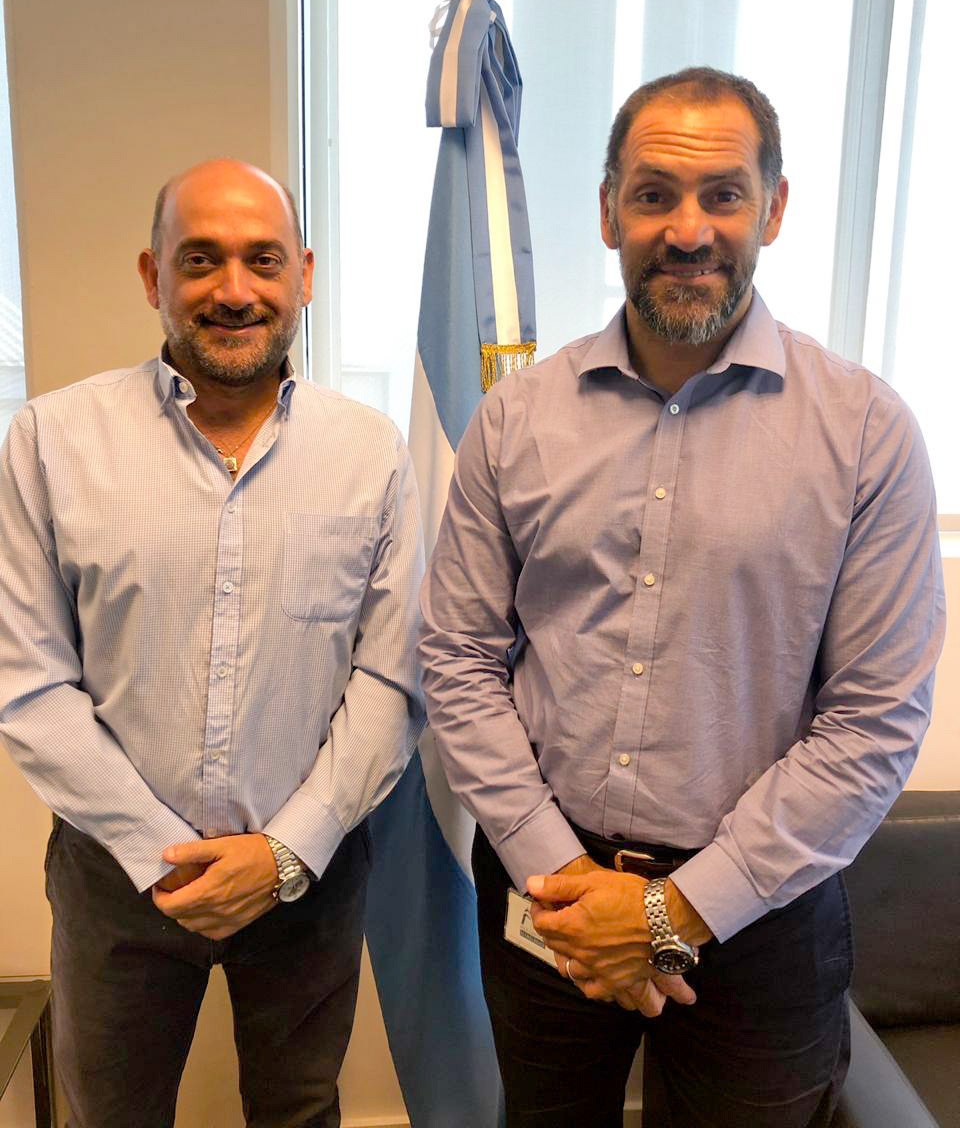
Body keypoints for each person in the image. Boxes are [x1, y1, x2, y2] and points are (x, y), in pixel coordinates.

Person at [418, 68, 946, 1127]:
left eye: (724, 195)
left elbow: (875, 719)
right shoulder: (516, 421)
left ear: (774, 210)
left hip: (762, 913)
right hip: (547, 895)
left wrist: (674, 912)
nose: (689, 230)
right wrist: (565, 884)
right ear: (608, 210)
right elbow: (458, 659)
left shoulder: (866, 432)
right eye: (654, 194)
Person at [0, 159, 424, 1128]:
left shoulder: (370, 451)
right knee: (110, 1114)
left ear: (303, 274)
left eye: (262, 260)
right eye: (200, 260)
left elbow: (391, 675)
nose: (235, 290)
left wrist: (285, 851)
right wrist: (157, 854)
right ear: (153, 276)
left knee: (300, 1110)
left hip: (307, 872)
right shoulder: (50, 441)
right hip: (116, 875)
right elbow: (28, 679)